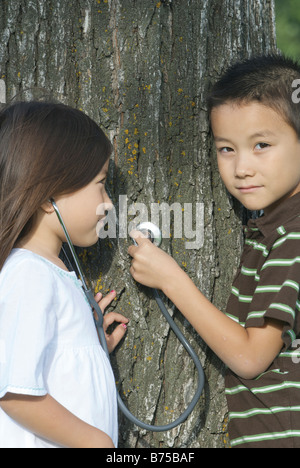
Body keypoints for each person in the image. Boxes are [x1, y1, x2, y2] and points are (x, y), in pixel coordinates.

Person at [128, 54, 300, 448]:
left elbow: (250, 357)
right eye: (226, 149)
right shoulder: (273, 228)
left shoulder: (292, 236)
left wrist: (171, 280)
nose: (242, 168)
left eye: (261, 145)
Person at [0, 101, 129, 448]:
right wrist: (96, 443)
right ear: (49, 195)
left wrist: (87, 345)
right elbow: (15, 392)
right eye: (100, 185)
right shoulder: (29, 274)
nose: (109, 203)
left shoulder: (48, 270)